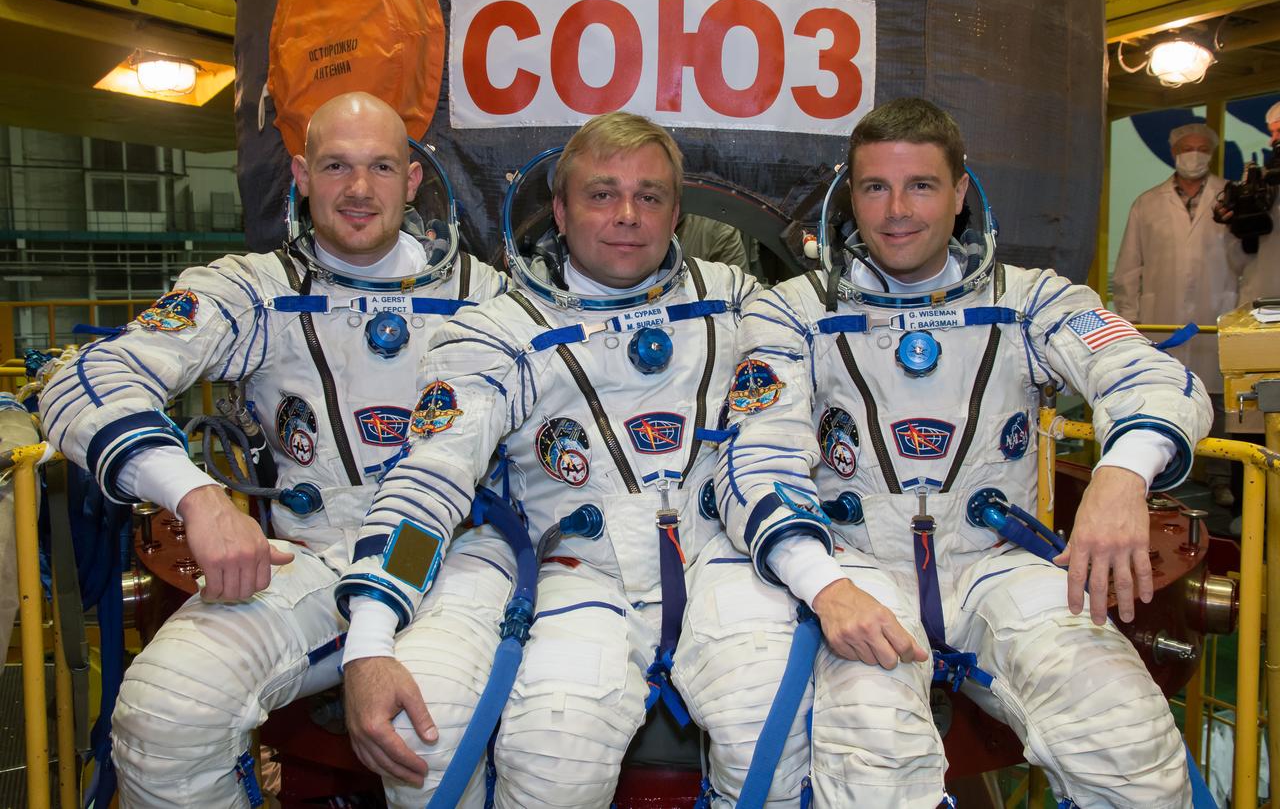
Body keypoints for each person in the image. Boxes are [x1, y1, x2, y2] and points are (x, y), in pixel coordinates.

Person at [673, 97, 1211, 807]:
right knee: (875, 763)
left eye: (921, 185)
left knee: (1127, 737)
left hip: (995, 566)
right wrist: (824, 583)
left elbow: (1152, 375)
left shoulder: (1031, 301)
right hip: (861, 568)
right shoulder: (794, 312)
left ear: (960, 193)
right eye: (876, 187)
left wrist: (1121, 475)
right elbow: (757, 455)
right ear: (850, 198)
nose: (897, 210)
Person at [37, 92, 507, 807]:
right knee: (165, 712)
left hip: (452, 559)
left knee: (430, 730)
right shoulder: (256, 293)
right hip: (317, 562)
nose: (358, 188)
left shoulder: (490, 300)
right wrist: (195, 495)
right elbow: (86, 380)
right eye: (336, 166)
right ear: (302, 175)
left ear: (413, 181)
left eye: (381, 167)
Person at [335, 111, 758, 807]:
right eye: (601, 194)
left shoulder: (737, 304)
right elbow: (430, 483)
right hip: (579, 577)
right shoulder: (497, 333)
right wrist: (373, 635)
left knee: (777, 729)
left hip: (718, 565)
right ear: (560, 212)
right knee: (551, 756)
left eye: (649, 196)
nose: (627, 216)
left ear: (676, 213)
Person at [1114, 121, 1240, 506]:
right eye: (1187, 148)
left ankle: (1220, 479)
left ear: (1212, 153)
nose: (1194, 155)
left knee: (1218, 404)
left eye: (1202, 148)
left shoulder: (1232, 198)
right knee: (1164, 396)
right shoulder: (1147, 203)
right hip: (1161, 318)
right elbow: (1128, 268)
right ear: (1174, 153)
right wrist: (1131, 320)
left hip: (1216, 314)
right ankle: (1162, 476)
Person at [1236, 100, 1280, 305]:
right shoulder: (1262, 180)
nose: (1272, 141)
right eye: (1272, 133)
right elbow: (1248, 248)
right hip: (1265, 288)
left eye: (1279, 132)